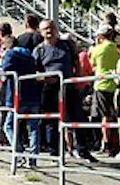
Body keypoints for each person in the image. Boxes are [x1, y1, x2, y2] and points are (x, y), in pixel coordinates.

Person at [34, 19, 97, 162]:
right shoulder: (39, 50)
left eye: (51, 28)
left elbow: (76, 61)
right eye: (45, 29)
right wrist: (44, 78)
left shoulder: (66, 45)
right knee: (52, 120)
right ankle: (54, 152)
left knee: (78, 118)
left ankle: (83, 150)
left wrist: (78, 78)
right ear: (41, 32)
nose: (49, 31)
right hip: (50, 89)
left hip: (69, 87)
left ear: (55, 29)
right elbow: (35, 71)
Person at [1, 36, 42, 166]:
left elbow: (5, 69)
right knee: (34, 127)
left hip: (17, 95)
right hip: (33, 95)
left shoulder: (10, 54)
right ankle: (33, 159)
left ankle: (19, 151)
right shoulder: (29, 55)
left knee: (8, 125)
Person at [90, 27, 120, 156]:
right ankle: (119, 143)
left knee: (105, 116)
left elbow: (93, 65)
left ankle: (106, 143)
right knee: (117, 115)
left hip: (102, 85)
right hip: (116, 84)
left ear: (100, 36)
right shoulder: (117, 48)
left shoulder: (98, 49)